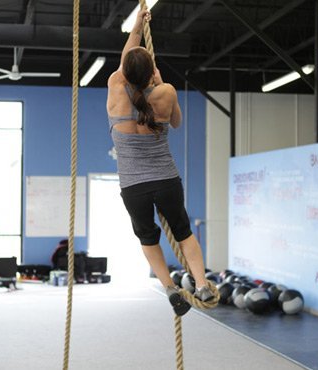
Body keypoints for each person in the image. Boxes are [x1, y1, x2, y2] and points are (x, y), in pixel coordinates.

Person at [106, 8, 212, 316]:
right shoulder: (166, 92)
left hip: (134, 187)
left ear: (126, 71)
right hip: (166, 180)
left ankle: (169, 287)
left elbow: (126, 62)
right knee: (183, 231)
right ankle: (202, 284)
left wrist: (137, 25)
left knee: (148, 237)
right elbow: (175, 123)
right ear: (152, 68)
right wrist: (161, 82)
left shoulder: (115, 87)